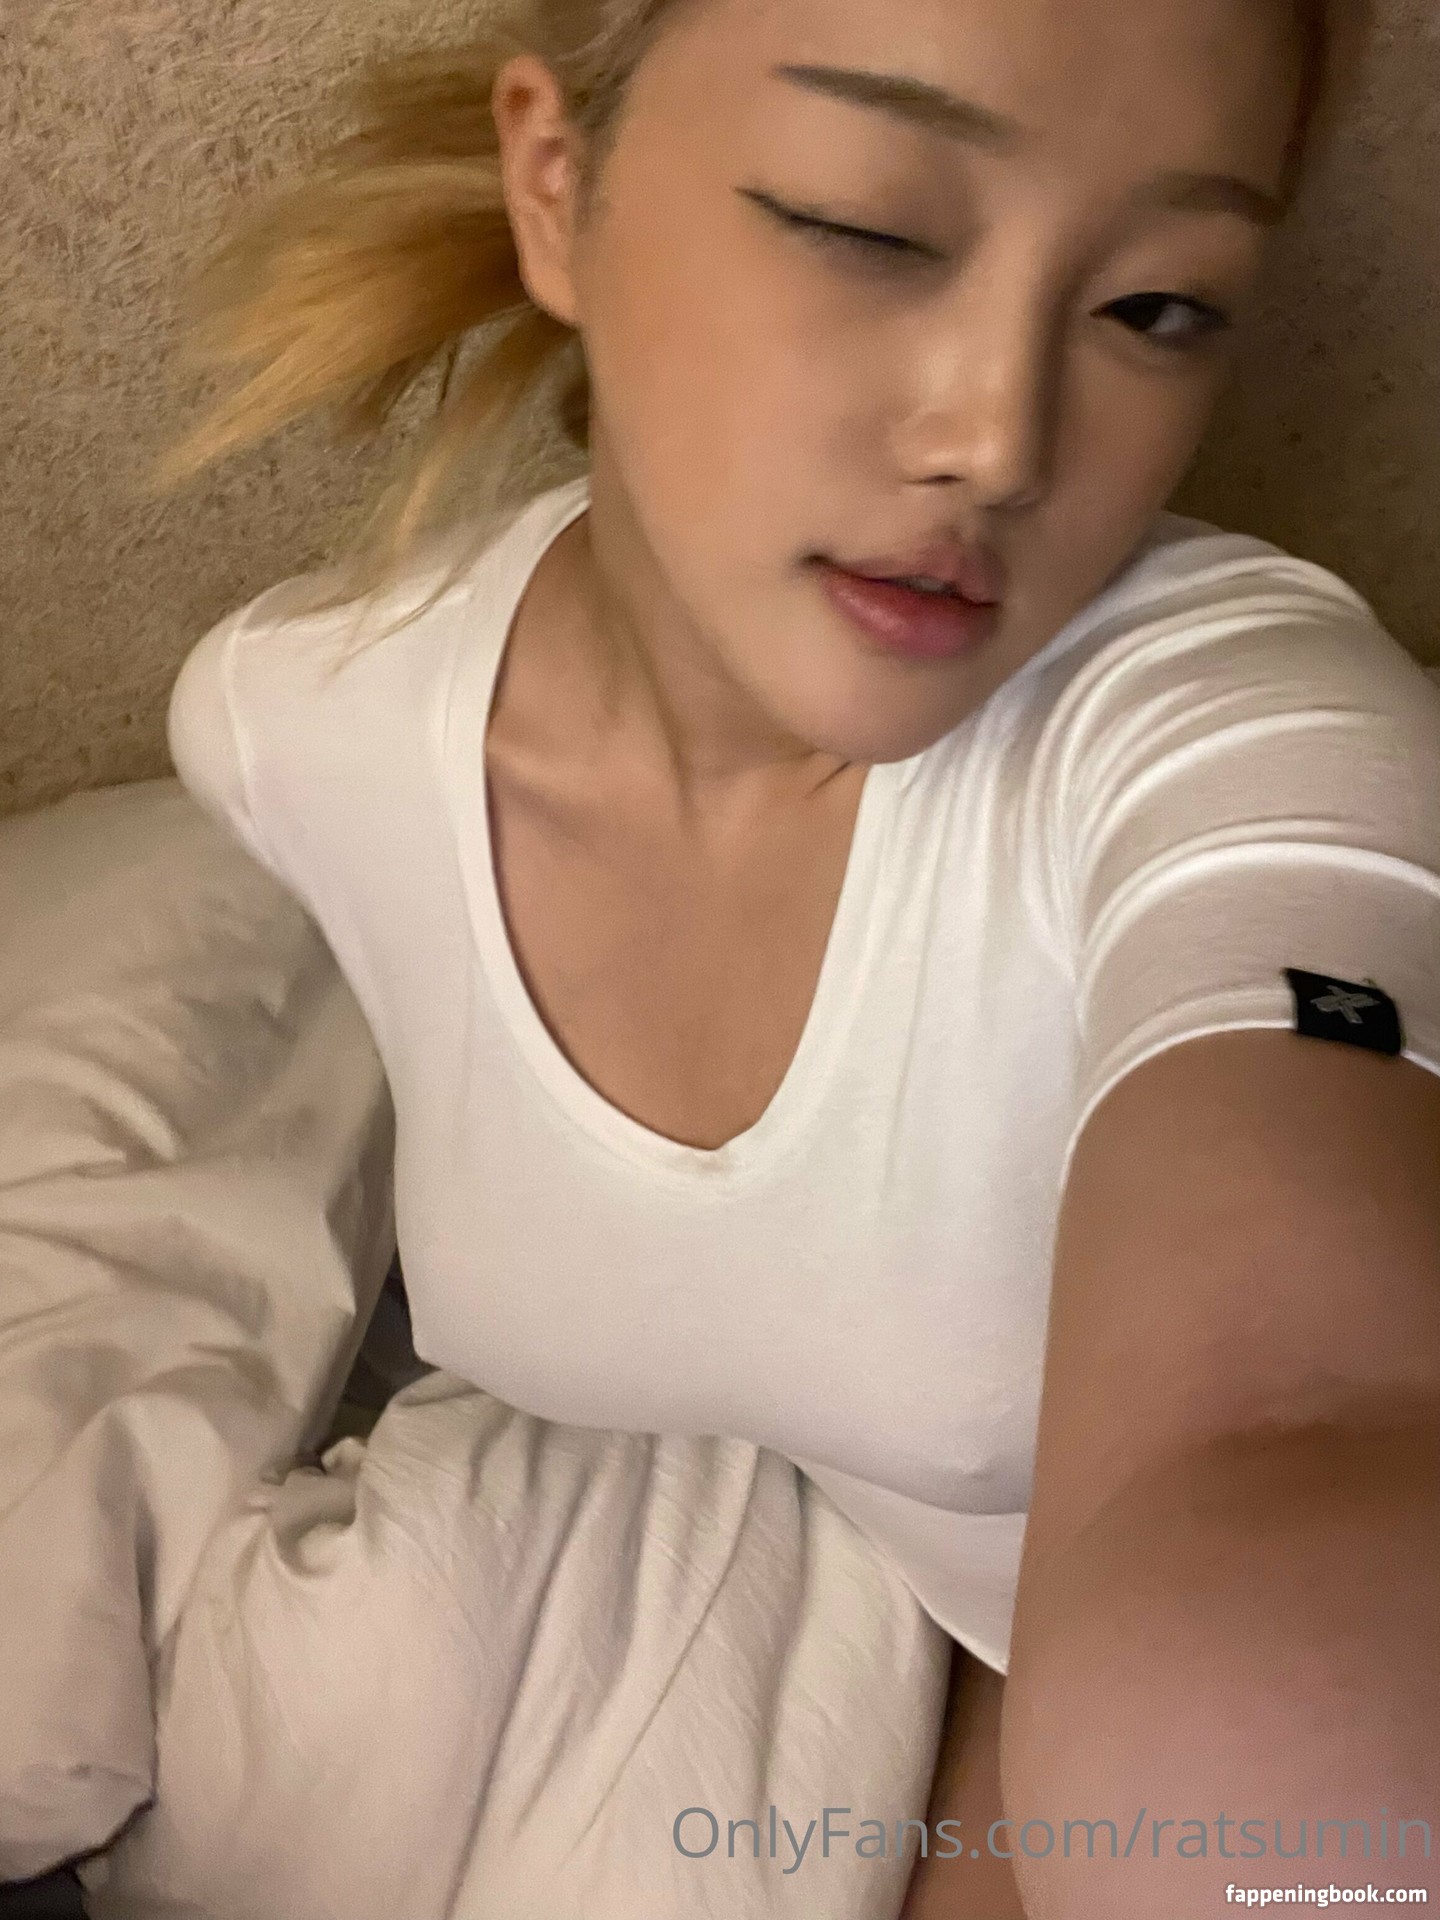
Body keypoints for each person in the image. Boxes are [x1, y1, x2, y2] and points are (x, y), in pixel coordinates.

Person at [152, 0, 1440, 1912]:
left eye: (1159, 305)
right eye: (869, 225)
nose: (999, 440)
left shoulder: (1234, 736)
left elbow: (1300, 1427)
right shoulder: (293, 729)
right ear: (558, 185)